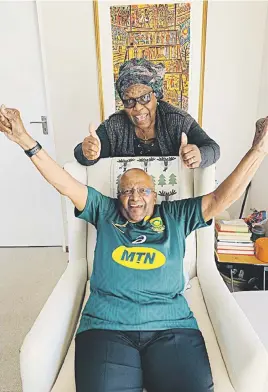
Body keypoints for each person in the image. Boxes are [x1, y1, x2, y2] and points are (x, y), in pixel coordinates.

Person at [0, 104, 267, 392]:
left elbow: (219, 198)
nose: (135, 197)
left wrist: (259, 150)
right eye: (127, 190)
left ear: (155, 195)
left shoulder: (175, 215)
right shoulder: (104, 210)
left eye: (143, 190)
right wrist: (25, 139)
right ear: (118, 195)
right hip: (106, 326)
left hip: (172, 325)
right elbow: (63, 183)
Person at [74, 58, 220, 169]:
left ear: (156, 95)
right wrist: (88, 152)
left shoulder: (177, 120)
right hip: (130, 203)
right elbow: (82, 153)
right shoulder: (114, 126)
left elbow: (213, 148)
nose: (137, 107)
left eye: (144, 98)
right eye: (129, 101)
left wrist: (199, 155)